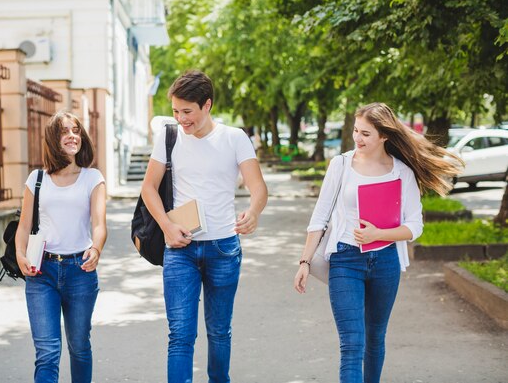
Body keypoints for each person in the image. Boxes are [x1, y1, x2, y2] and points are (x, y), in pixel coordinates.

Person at [293, 103, 462, 383]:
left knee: (375, 338)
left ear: (384, 136)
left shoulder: (401, 172)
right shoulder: (341, 165)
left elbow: (414, 226)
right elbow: (319, 218)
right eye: (356, 131)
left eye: (366, 134)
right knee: (351, 344)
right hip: (345, 259)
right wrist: (304, 262)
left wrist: (379, 234)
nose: (358, 139)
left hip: (385, 262)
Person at [141, 70, 268, 383]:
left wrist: (253, 212)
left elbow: (259, 188)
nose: (182, 119)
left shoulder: (234, 138)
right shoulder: (169, 137)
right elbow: (148, 188)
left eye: (188, 112)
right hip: (180, 247)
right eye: (176, 111)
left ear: (207, 105)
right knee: (180, 335)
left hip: (223, 247)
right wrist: (168, 226)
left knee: (219, 332)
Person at [15, 111, 107, 383]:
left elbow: (99, 224)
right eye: (64, 131)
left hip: (80, 270)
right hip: (41, 271)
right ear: (53, 139)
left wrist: (97, 249)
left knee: (79, 347)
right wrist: (20, 255)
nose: (71, 136)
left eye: (76, 130)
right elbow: (23, 226)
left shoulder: (93, 178)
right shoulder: (37, 179)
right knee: (47, 351)